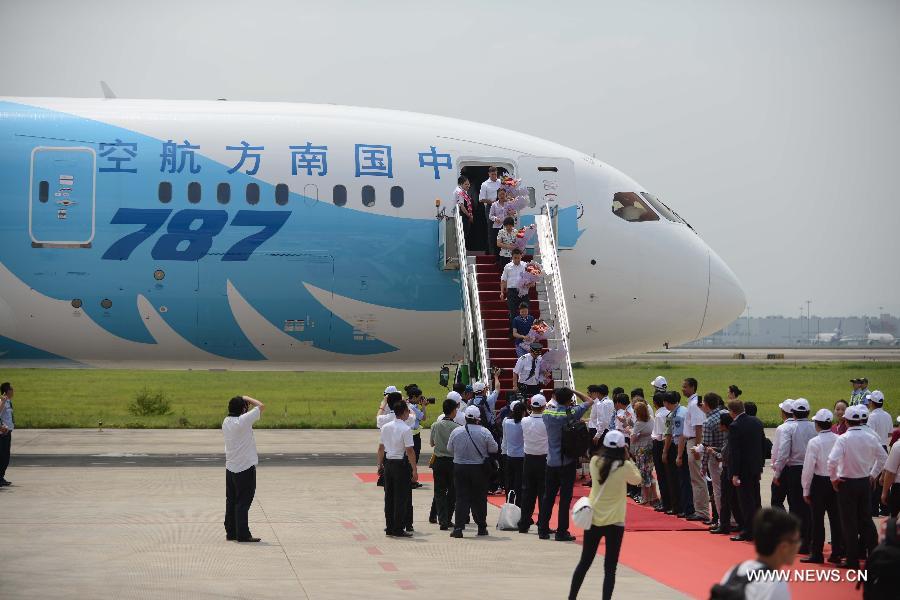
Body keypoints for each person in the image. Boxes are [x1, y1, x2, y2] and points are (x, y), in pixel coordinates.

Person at [568, 430, 641, 600]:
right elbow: (637, 479)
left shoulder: (594, 461)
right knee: (610, 568)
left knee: (584, 563)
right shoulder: (625, 466)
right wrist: (627, 456)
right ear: (623, 447)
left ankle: (572, 597)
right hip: (615, 521)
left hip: (594, 518)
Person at [827, 404, 888, 568]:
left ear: (846, 421)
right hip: (864, 482)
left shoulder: (843, 439)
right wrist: (873, 474)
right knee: (866, 520)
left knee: (849, 522)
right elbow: (883, 457)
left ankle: (852, 559)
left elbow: (831, 461)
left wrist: (833, 479)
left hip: (846, 483)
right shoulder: (871, 437)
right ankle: (874, 555)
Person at [538, 387, 594, 541]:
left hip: (551, 461)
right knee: (564, 499)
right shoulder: (571, 413)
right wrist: (574, 391)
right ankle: (562, 531)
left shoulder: (547, 413)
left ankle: (542, 529)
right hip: (567, 461)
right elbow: (589, 401)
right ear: (569, 400)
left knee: (547, 496)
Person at [715, 509, 801, 600]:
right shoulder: (775, 584)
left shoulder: (736, 570)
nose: (799, 545)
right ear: (784, 547)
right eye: (796, 541)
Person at [800, 408, 844, 564]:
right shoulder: (839, 438)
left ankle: (817, 553)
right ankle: (837, 552)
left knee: (817, 520)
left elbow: (808, 468)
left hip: (819, 482)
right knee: (836, 519)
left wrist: (805, 488)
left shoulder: (814, 442)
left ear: (817, 424)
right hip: (836, 481)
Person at [447, 405, 498, 538]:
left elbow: (449, 449)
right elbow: (494, 448)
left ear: (465, 417)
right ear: (478, 419)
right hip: (478, 468)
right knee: (479, 499)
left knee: (461, 498)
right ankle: (481, 527)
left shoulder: (456, 431)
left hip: (460, 467)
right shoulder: (484, 431)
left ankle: (458, 528)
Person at [773, 398, 816, 554]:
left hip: (795, 469)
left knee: (796, 507)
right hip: (813, 469)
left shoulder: (788, 428)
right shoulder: (814, 426)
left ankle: (799, 541)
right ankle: (809, 539)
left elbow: (784, 452)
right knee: (809, 507)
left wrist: (777, 472)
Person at [222, 394, 265, 542]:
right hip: (245, 468)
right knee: (243, 502)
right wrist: (246, 397)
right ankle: (243, 534)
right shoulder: (243, 421)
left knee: (231, 500)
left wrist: (242, 403)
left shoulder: (226, 421)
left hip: (230, 467)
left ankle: (231, 532)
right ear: (243, 408)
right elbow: (261, 406)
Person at [377, 402, 418, 538]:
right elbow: (410, 450)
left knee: (389, 497)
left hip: (388, 463)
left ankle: (389, 527)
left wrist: (379, 465)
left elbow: (381, 448)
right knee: (401, 498)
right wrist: (414, 470)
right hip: (401, 464)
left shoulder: (385, 427)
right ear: (405, 412)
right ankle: (398, 528)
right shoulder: (405, 429)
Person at [727, 399, 765, 542]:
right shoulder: (756, 422)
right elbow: (762, 446)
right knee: (756, 500)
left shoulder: (735, 426)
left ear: (732, 411)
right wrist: (760, 466)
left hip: (743, 470)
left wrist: (735, 473)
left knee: (746, 502)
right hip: (755, 468)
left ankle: (748, 531)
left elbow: (735, 452)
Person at [518, 394, 549, 533]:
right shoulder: (547, 421)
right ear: (544, 407)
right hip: (543, 459)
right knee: (543, 493)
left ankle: (524, 523)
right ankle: (542, 523)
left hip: (529, 458)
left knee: (527, 493)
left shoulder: (524, 421)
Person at [430, 398, 460, 530]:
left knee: (439, 491)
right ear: (453, 411)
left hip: (439, 461)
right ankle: (448, 519)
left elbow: (432, 443)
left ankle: (441, 519)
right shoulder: (458, 428)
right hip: (452, 462)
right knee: (452, 492)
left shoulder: (435, 425)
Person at [710, 413, 743, 535]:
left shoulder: (730, 437)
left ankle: (724, 525)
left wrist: (712, 452)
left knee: (726, 499)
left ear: (724, 425)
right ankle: (739, 523)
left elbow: (723, 457)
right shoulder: (729, 435)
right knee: (733, 499)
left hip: (728, 470)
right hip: (731, 469)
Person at [682, 377, 709, 522]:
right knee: (695, 478)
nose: (683, 389)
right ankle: (699, 509)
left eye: (685, 387)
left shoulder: (694, 404)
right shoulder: (692, 402)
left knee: (698, 478)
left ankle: (702, 511)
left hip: (694, 441)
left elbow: (699, 427)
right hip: (691, 440)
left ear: (692, 387)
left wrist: (698, 449)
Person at [701, 393, 726, 531]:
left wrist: (703, 466)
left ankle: (723, 520)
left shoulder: (708, 422)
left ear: (706, 404)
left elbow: (707, 446)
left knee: (717, 491)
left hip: (715, 459)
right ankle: (732, 519)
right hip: (727, 456)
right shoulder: (725, 413)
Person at [662, 391, 687, 516]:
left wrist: (676, 454)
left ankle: (681, 507)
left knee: (678, 479)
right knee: (676, 478)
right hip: (676, 446)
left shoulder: (679, 415)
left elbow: (676, 435)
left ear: (667, 402)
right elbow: (668, 433)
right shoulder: (673, 413)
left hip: (679, 447)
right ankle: (677, 506)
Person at [770, 399, 795, 511]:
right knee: (795, 502)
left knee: (776, 500)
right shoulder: (800, 425)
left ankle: (784, 525)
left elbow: (777, 451)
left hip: (784, 468)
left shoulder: (782, 428)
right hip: (799, 469)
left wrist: (776, 469)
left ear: (783, 412)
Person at [629, 401, 656, 505]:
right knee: (649, 472)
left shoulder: (639, 423)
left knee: (643, 474)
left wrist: (629, 430)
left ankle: (646, 497)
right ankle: (653, 496)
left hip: (641, 450)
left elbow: (633, 439)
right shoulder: (651, 419)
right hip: (650, 447)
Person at [502, 400, 526, 506]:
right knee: (519, 484)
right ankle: (518, 505)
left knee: (510, 483)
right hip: (521, 457)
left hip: (510, 456)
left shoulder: (506, 422)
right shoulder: (524, 423)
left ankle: (509, 503)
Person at [651, 391, 671, 512]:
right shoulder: (668, 412)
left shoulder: (659, 415)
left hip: (659, 445)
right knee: (668, 474)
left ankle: (665, 501)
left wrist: (663, 451)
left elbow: (660, 435)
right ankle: (669, 501)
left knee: (662, 475)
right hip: (667, 444)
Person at [500, 248, 530, 324]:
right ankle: (513, 333)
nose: (517, 259)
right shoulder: (507, 266)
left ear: (521, 257)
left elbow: (530, 278)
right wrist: (502, 292)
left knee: (525, 312)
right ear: (512, 257)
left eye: (518, 258)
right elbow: (503, 280)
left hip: (523, 291)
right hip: (512, 292)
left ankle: (524, 332)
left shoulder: (525, 265)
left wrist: (530, 283)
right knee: (513, 312)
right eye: (515, 258)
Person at [479, 166, 503, 251]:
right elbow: (481, 199)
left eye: (495, 174)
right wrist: (493, 202)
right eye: (492, 174)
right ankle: (492, 251)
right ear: (489, 174)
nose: (494, 176)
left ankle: (501, 250)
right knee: (491, 230)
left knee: (502, 227)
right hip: (490, 206)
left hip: (501, 205)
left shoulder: (500, 182)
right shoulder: (485, 184)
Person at [489, 189, 513, 259]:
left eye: (503, 194)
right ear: (497, 195)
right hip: (497, 226)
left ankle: (507, 258)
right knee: (497, 244)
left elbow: (514, 214)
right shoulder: (494, 204)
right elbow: (490, 216)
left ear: (506, 194)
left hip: (507, 227)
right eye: (500, 194)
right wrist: (495, 219)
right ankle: (497, 259)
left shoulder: (509, 203)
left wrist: (511, 213)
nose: (501, 196)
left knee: (507, 242)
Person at [882, 433, 900, 518]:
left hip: (898, 488)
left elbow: (891, 472)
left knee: (894, 520)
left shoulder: (897, 446)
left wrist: (884, 493)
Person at [0, 382, 15, 487]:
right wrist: (2, 402)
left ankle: (1, 477)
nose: (13, 391)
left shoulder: (8, 401)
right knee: (3, 456)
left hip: (8, 432)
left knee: (6, 456)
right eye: (11, 389)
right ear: (7, 391)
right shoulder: (3, 401)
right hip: (2, 433)